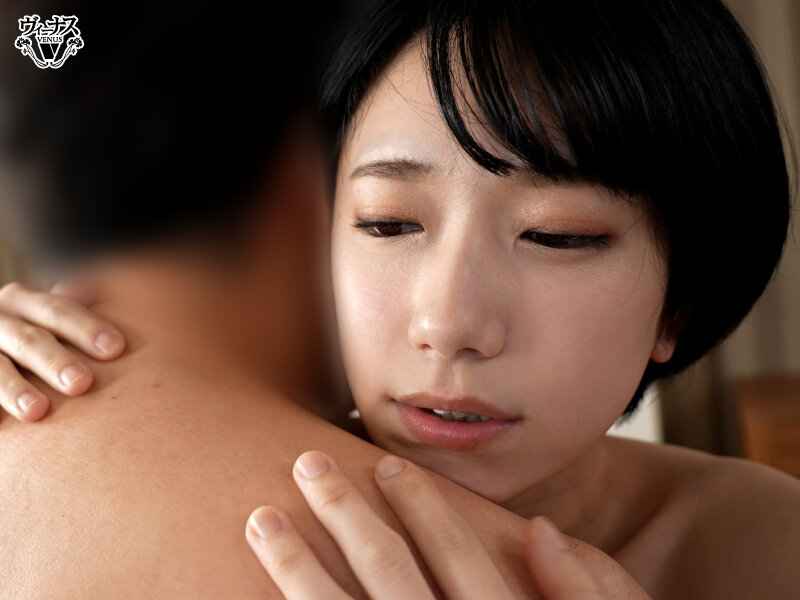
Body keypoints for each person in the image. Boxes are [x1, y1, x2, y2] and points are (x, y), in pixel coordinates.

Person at [2, 0, 800, 598]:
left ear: (680, 305)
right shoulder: (204, 506)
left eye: (556, 236)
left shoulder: (762, 547)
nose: (448, 324)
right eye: (387, 223)